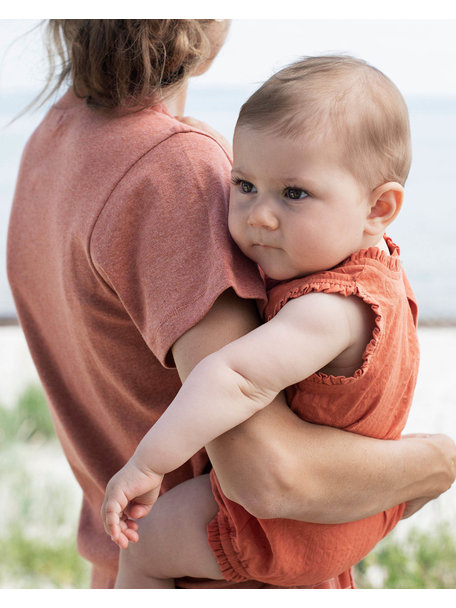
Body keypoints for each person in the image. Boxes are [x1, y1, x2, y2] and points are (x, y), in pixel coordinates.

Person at [7, 21, 456, 590]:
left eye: (293, 193)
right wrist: (434, 463)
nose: (259, 215)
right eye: (243, 186)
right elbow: (266, 475)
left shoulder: (50, 140)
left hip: (133, 559)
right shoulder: (177, 171)